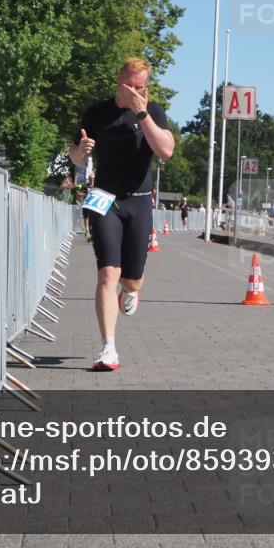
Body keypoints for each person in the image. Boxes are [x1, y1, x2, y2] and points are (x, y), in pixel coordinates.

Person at [69, 57, 174, 372]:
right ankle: (108, 349)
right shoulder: (97, 112)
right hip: (103, 198)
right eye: (129, 84)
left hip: (139, 200)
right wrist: (81, 151)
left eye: (139, 86)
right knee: (107, 274)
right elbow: (75, 154)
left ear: (147, 86)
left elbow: (166, 150)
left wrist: (142, 114)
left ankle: (131, 291)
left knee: (131, 280)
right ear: (119, 79)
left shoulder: (152, 111)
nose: (133, 90)